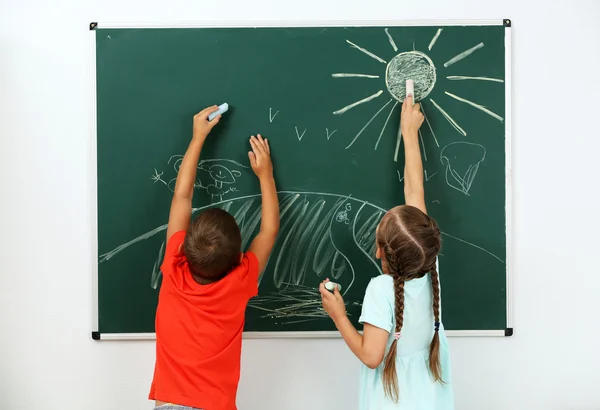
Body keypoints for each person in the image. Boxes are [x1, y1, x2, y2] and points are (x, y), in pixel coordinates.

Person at [320, 95, 454, 409]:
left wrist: (338, 315)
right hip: (427, 397)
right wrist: (410, 133)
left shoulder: (381, 289)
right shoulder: (428, 267)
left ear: (380, 252)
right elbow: (414, 191)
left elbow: (371, 356)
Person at [149, 106, 280, 410]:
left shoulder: (174, 267)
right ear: (239, 258)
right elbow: (270, 229)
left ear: (185, 248)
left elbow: (182, 196)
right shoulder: (239, 281)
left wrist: (196, 139)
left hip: (169, 404)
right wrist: (266, 174)